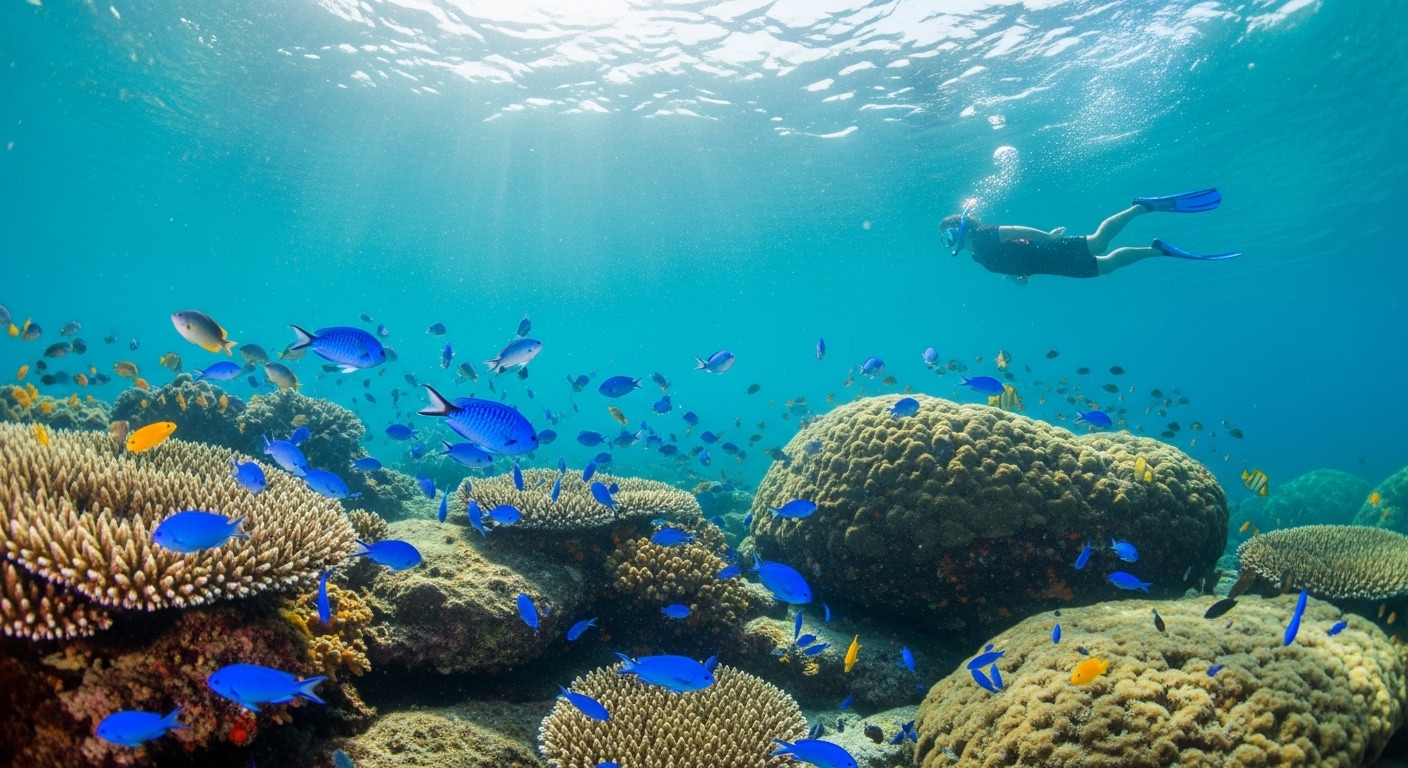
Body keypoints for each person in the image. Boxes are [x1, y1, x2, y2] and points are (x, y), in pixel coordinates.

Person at [941, 189, 1239, 281]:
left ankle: (1140, 208)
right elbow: (1011, 259)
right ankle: (1157, 249)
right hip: (1050, 266)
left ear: (961, 227)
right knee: (1104, 265)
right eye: (945, 239)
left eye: (949, 233)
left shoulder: (982, 235)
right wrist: (1023, 274)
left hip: (1049, 252)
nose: (949, 241)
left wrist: (1048, 236)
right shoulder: (978, 257)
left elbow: (1016, 230)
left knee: (1098, 242)